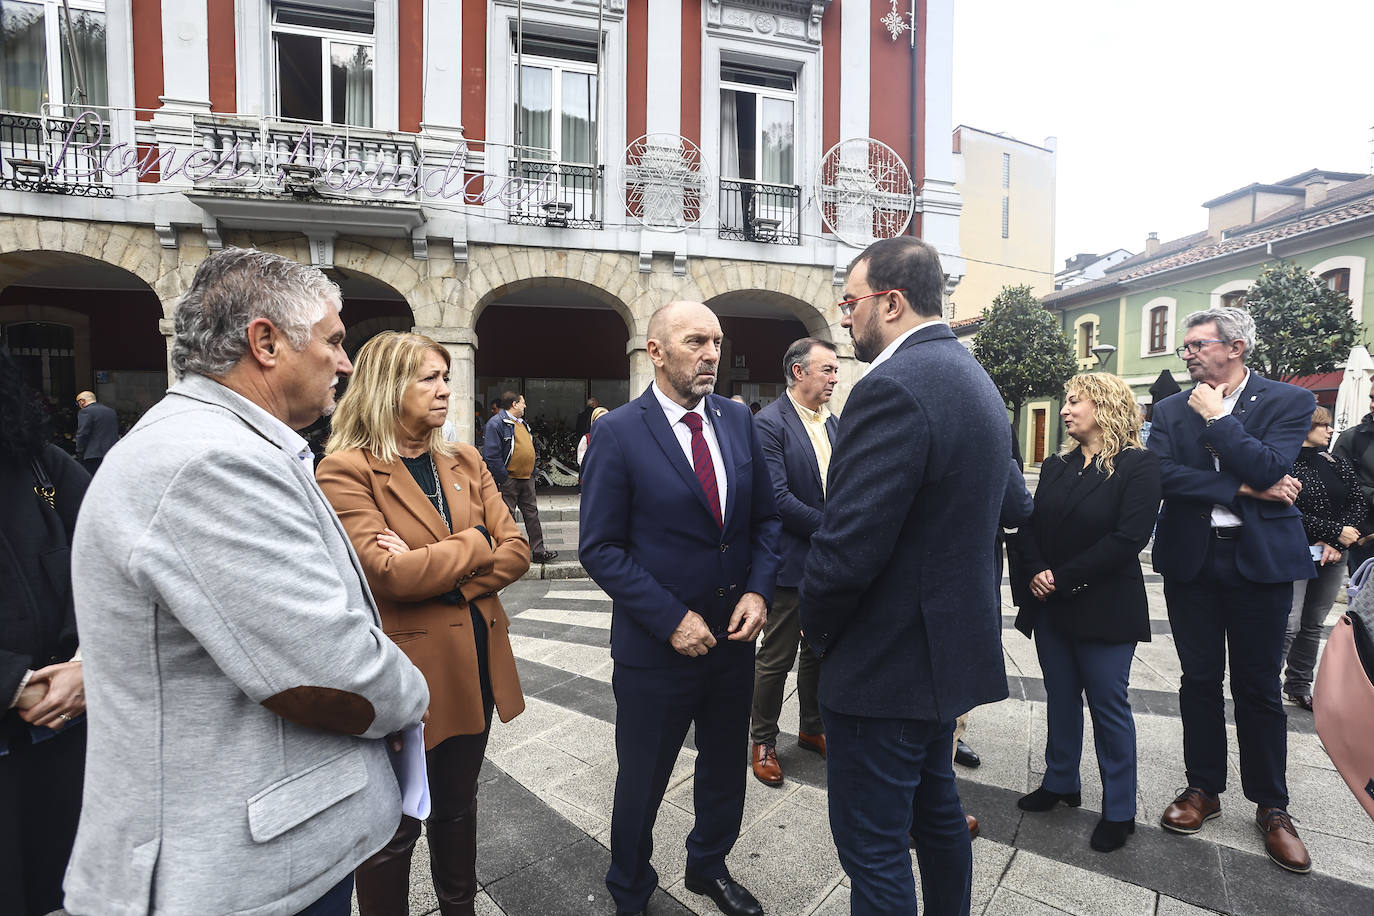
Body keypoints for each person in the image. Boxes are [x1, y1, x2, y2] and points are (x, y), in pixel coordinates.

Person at [65, 248, 431, 915]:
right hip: (231, 874)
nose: (345, 364)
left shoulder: (227, 443)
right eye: (334, 341)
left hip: (261, 855)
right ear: (265, 341)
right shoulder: (209, 461)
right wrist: (413, 694)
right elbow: (327, 668)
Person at [800, 236, 1013, 915]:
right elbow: (1009, 506)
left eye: (851, 302)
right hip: (942, 657)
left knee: (874, 847)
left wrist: (819, 633)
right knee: (937, 814)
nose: (845, 318)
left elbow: (848, 547)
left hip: (884, 665)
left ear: (890, 302)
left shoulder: (892, 386)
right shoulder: (973, 378)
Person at [579, 300, 782, 916]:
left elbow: (766, 521)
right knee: (641, 780)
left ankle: (709, 867)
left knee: (724, 770)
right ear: (656, 351)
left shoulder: (737, 420)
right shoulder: (618, 432)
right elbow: (601, 548)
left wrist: (759, 590)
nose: (712, 355)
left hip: (731, 644)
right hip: (655, 651)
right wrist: (669, 618)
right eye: (697, 342)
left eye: (717, 342)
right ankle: (631, 889)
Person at [318, 332, 530, 916]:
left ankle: (458, 906)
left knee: (459, 802)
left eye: (445, 377)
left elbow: (518, 550)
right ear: (388, 387)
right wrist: (476, 543)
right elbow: (386, 576)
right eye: (428, 379)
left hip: (477, 666)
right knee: (396, 821)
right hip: (405, 672)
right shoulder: (345, 470)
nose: (445, 390)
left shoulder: (463, 459)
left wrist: (445, 569)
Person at [1149, 305, 1315, 874]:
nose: (1188, 355)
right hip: (1192, 559)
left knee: (1258, 686)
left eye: (1197, 345)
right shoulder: (1170, 407)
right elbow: (1162, 476)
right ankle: (1203, 789)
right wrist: (1243, 486)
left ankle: (1272, 806)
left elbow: (1273, 467)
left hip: (1260, 563)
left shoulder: (1288, 402)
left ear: (1235, 347)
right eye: (1186, 347)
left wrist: (1221, 420)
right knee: (1198, 679)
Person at [1009, 373, 1160, 853]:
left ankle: (1120, 810)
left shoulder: (1139, 466)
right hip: (1052, 604)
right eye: (1065, 401)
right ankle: (1060, 782)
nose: (1066, 410)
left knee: (1108, 705)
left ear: (1106, 406)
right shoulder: (1057, 464)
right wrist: (1034, 570)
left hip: (1104, 607)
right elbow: (1028, 523)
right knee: (1059, 695)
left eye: (1075, 401)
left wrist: (1063, 576)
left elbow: (1128, 538)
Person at [0, 347, 90, 915]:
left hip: (61, 744)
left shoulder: (40, 464)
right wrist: (14, 683)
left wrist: (88, 664)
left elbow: (115, 565)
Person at [748, 337, 839, 787]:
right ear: (799, 372)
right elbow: (778, 498)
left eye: (836, 370)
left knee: (819, 651)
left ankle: (812, 728)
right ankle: (762, 740)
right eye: (827, 370)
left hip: (828, 563)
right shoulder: (769, 423)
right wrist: (834, 529)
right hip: (790, 562)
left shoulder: (833, 423)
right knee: (776, 658)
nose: (835, 378)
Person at [1284, 407, 1368, 711]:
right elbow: (1288, 511)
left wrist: (1333, 541)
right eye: (1324, 425)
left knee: (1314, 623)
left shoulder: (1336, 462)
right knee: (1288, 623)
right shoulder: (1286, 463)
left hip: (1333, 554)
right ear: (1305, 427)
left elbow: (1358, 503)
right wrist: (1333, 532)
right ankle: (1266, 682)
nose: (1330, 431)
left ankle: (1299, 684)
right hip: (1295, 550)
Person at [482, 391, 558, 563]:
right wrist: (504, 477)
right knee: (506, 517)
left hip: (526, 478)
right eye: (523, 403)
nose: (525, 406)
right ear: (514, 404)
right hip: (509, 479)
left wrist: (532, 472)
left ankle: (539, 551)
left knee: (532, 515)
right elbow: (491, 455)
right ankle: (504, 554)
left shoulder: (522, 424)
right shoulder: (496, 424)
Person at [1332, 390, 1374, 572]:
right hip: (1366, 537)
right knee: (1365, 598)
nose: (1372, 404)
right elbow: (1335, 481)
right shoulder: (1352, 438)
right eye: (1371, 398)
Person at [73, 390, 118, 474]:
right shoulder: (111, 411)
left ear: (82, 401)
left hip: (93, 455)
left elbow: (82, 433)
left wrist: (79, 450)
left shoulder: (85, 412)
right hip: (110, 452)